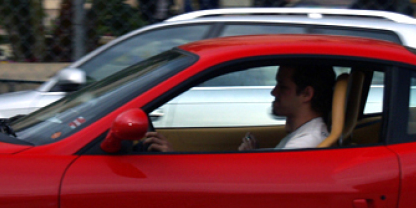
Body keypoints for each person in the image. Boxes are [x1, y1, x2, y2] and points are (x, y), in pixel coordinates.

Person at [140, 63, 336, 153]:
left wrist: (172, 160)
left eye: (282, 87)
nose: (273, 93)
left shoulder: (304, 146)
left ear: (306, 94)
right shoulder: (303, 137)